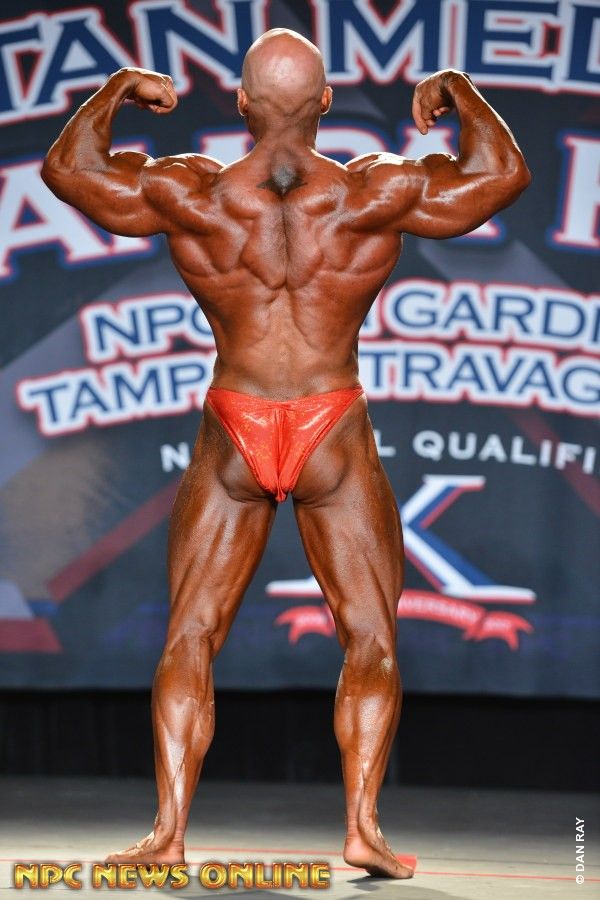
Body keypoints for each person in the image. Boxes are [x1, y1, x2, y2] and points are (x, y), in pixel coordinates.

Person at [42, 28, 530, 878]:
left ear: (240, 102)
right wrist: (457, 88)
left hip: (234, 420)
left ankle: (168, 833)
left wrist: (116, 88)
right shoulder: (374, 189)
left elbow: (69, 171)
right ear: (326, 103)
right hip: (330, 422)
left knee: (191, 635)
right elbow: (502, 175)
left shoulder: (189, 190)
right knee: (370, 637)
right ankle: (363, 828)